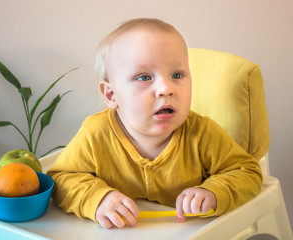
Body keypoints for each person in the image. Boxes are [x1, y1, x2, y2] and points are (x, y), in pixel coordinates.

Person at [46, 18, 262, 229]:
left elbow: (247, 172)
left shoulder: (202, 133)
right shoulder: (96, 133)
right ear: (111, 95)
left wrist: (215, 192)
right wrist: (98, 199)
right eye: (144, 77)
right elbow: (60, 179)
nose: (165, 89)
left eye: (177, 75)